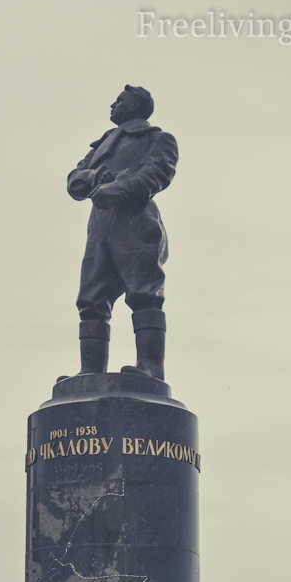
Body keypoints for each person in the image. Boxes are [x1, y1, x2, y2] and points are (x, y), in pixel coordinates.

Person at [67, 85, 178, 379]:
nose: (113, 105)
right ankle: (90, 372)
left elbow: (157, 174)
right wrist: (94, 176)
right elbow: (74, 180)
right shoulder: (101, 145)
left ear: (135, 107)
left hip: (136, 223)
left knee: (144, 294)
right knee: (91, 301)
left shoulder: (157, 138)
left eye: (120, 101)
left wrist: (116, 187)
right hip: (100, 228)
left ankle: (151, 367)